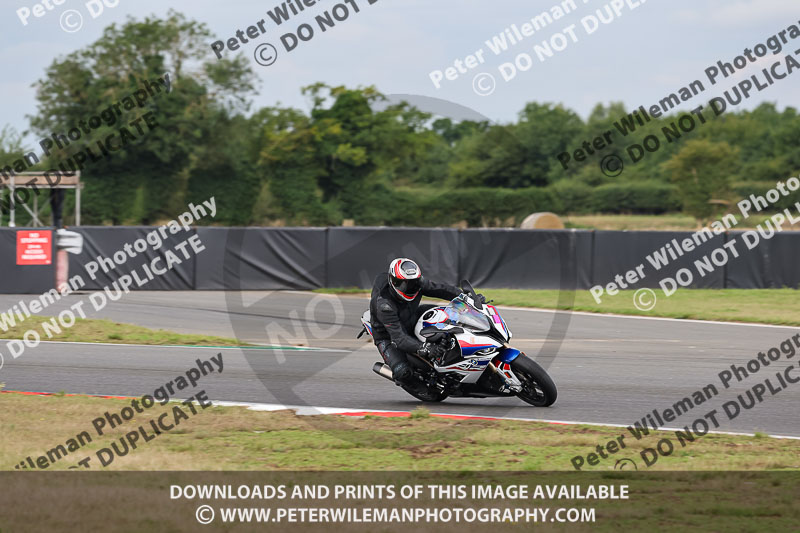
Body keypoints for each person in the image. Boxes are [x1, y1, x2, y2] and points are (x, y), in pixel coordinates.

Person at [369, 258, 462, 384]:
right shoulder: (385, 305)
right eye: (403, 284)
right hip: (388, 336)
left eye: (413, 283)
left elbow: (440, 289)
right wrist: (425, 348)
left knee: (449, 316)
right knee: (403, 372)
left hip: (411, 315)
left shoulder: (417, 283)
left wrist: (465, 296)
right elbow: (399, 338)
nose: (409, 288)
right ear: (393, 281)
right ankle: (424, 388)